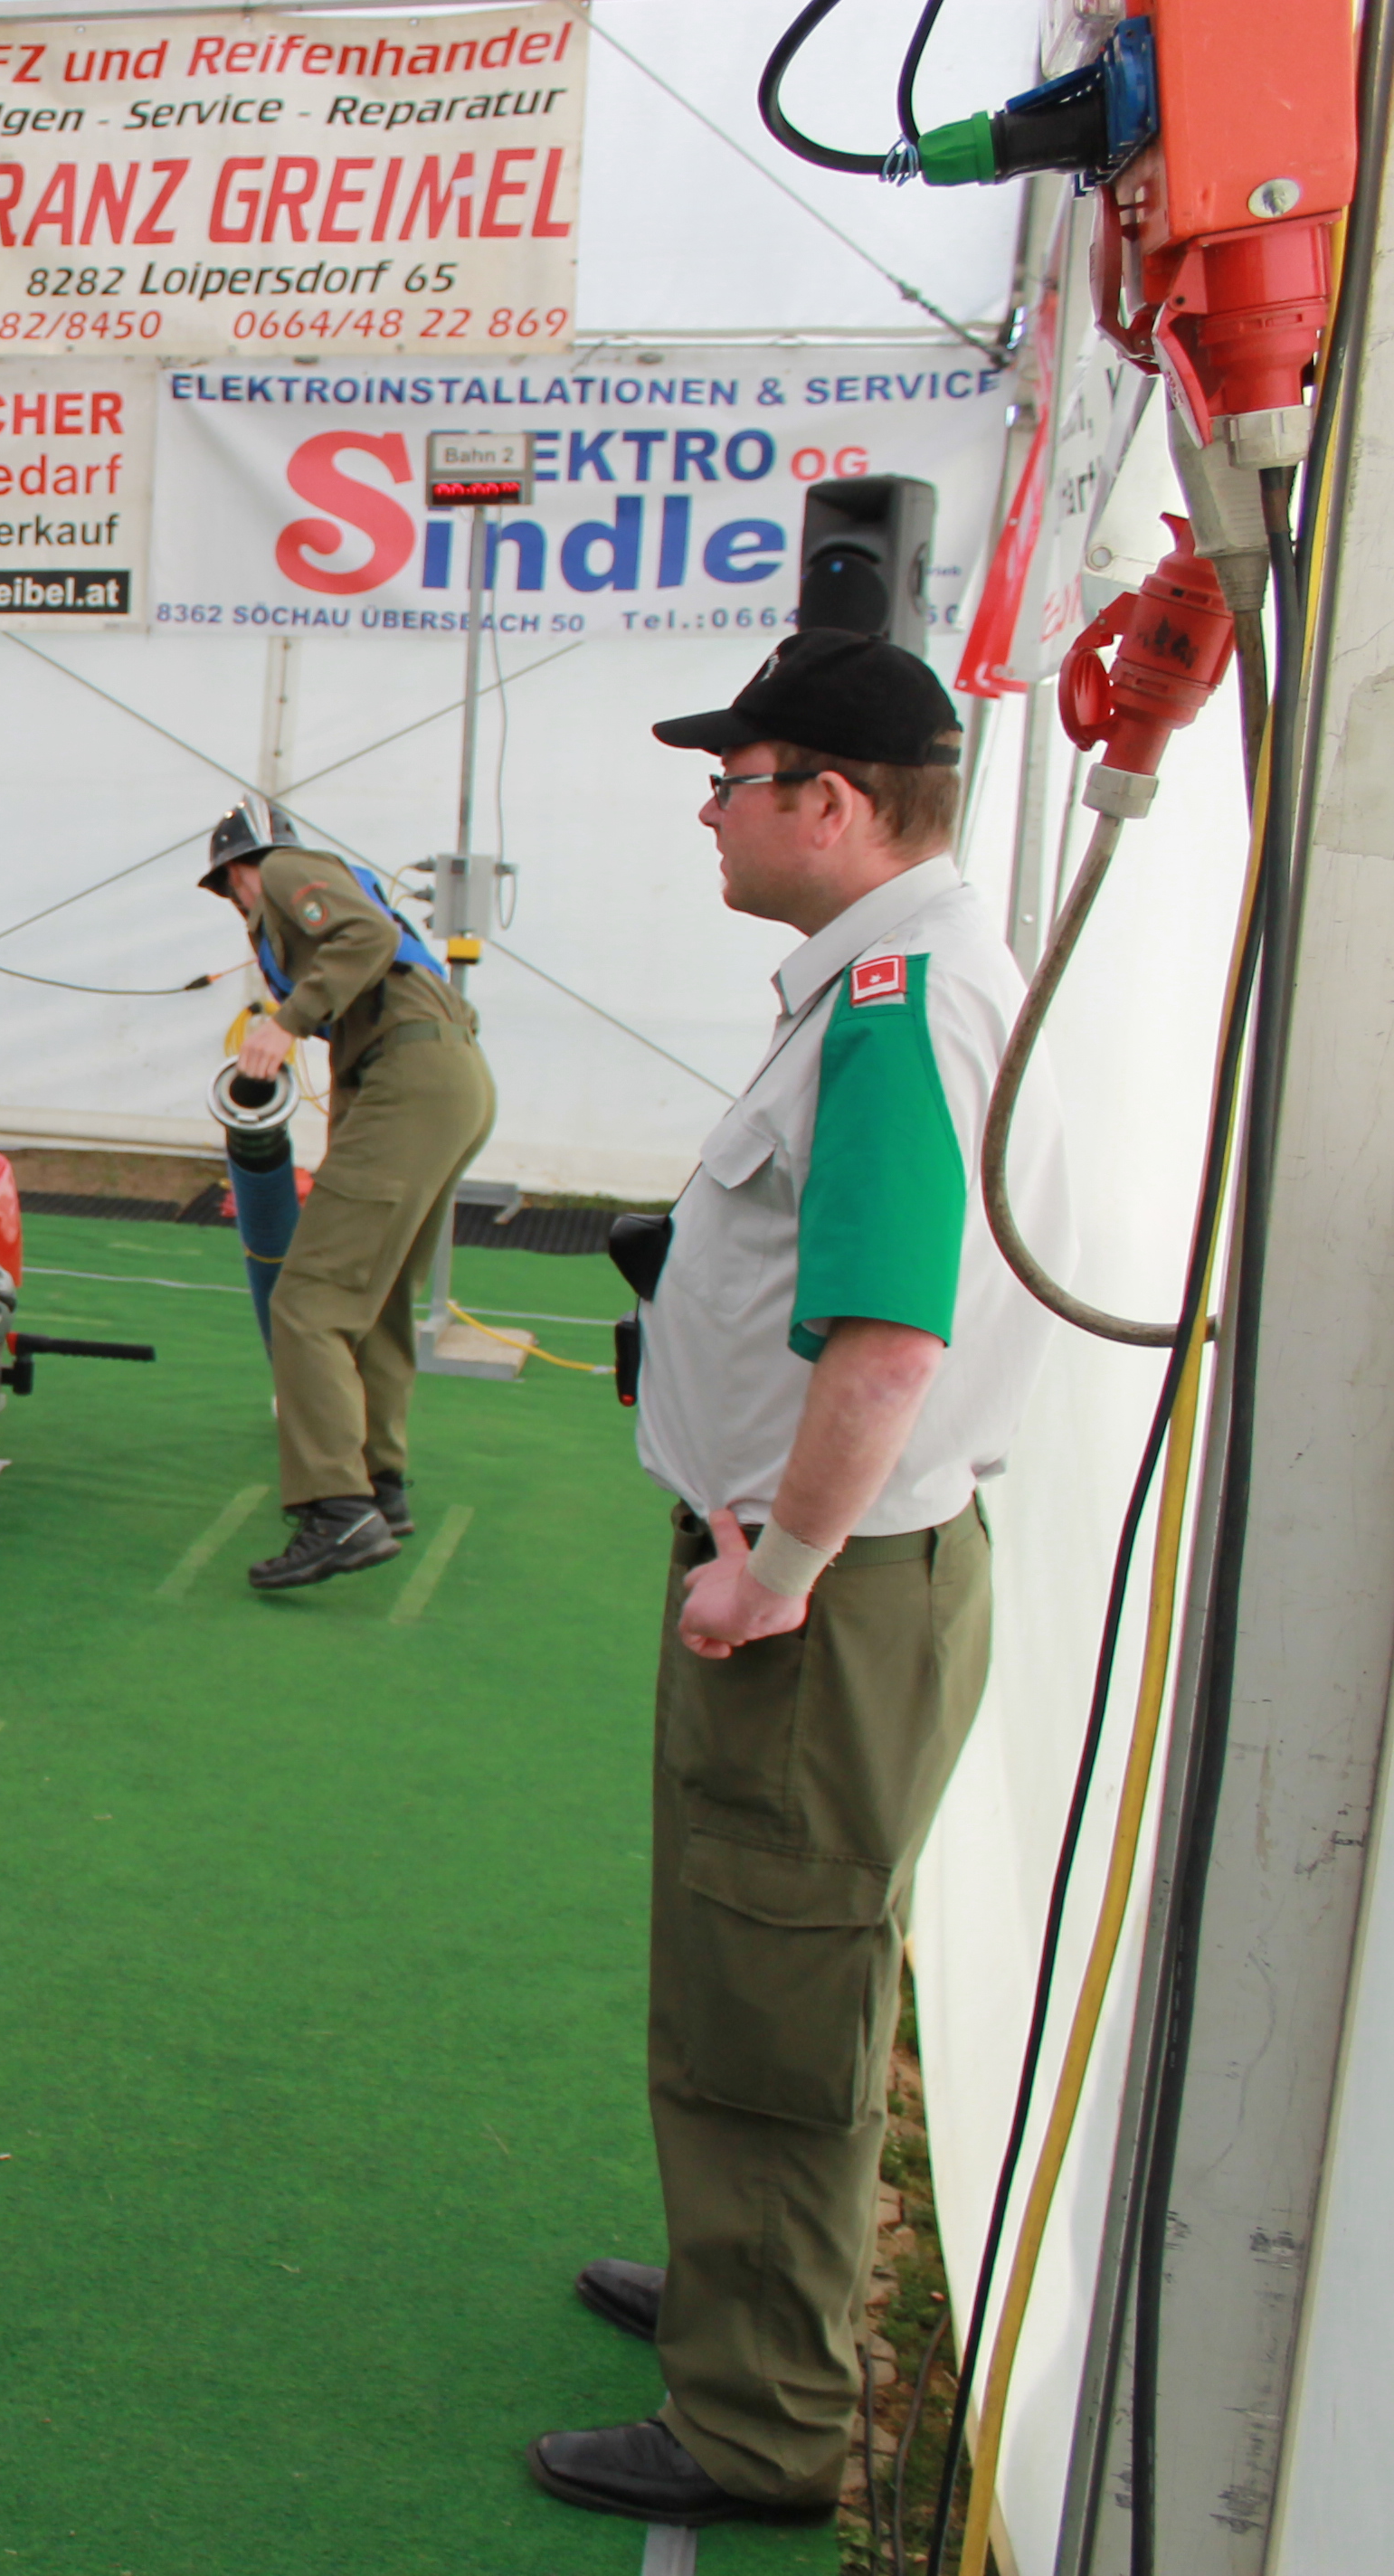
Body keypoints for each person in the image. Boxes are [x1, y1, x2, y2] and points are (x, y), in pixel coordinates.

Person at [525, 633, 1066, 2529]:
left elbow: (889, 1339)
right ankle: (742, 2286)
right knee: (750, 1963)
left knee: (774, 1989)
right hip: (820, 1576)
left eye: (732, 778)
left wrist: (786, 1566)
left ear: (830, 800)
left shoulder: (897, 1001)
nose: (708, 811)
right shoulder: (890, 976)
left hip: (825, 1592)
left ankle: (759, 2415)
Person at [198, 796, 498, 1589]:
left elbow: (365, 935)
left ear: (238, 869)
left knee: (308, 1301)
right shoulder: (306, 893)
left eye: (230, 887)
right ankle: (378, 1485)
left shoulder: (285, 869)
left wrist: (287, 1021)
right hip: (444, 1078)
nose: (236, 903)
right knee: (381, 1297)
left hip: (411, 1074)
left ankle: (339, 1510)